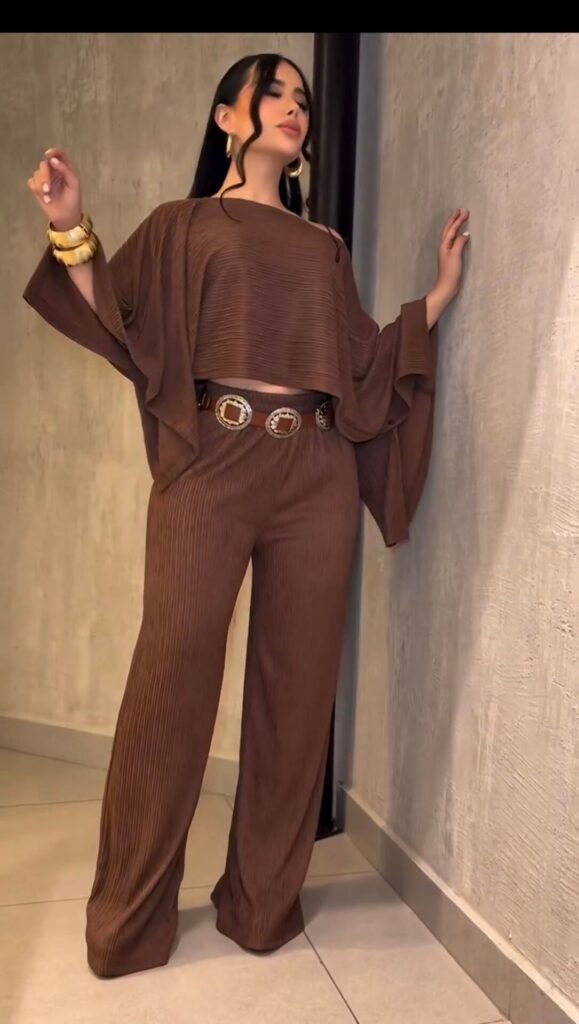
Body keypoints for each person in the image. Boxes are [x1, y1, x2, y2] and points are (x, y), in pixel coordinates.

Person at [23, 52, 469, 978]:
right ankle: (127, 925)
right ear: (227, 117)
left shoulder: (323, 246)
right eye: (272, 93)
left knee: (297, 693)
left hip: (316, 470)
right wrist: (68, 226)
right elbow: (118, 315)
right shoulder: (181, 226)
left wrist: (434, 297)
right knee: (170, 682)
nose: (292, 108)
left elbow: (360, 364)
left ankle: (263, 906)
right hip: (211, 462)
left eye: (301, 98)